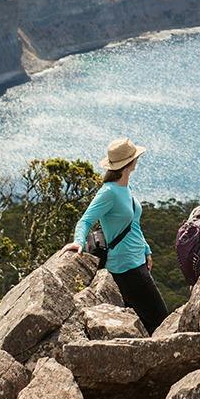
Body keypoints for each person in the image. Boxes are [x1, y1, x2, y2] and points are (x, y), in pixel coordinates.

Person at [66, 137, 168, 333]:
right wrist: (78, 241)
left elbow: (134, 223)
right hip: (125, 267)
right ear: (130, 162)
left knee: (147, 321)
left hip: (138, 262)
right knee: (159, 321)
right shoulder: (109, 192)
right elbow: (86, 220)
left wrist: (146, 250)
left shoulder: (125, 187)